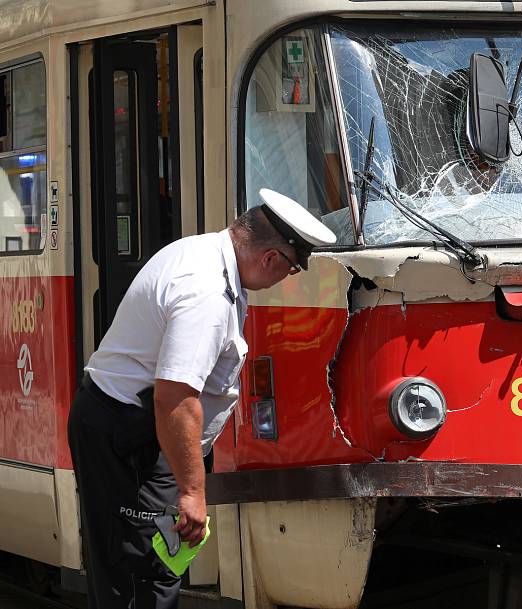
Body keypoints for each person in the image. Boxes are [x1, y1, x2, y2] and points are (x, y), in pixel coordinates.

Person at [67, 189, 336, 609]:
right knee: (148, 572)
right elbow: (175, 399)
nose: (288, 277)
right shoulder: (206, 292)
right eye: (292, 268)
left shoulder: (203, 252)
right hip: (131, 437)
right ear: (271, 259)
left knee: (137, 569)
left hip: (129, 427)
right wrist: (192, 492)